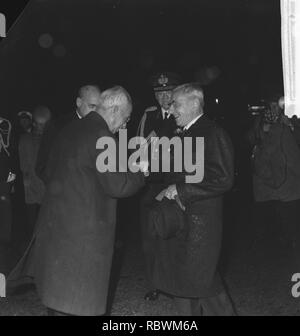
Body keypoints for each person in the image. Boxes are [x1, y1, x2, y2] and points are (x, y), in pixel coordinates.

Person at [8, 86, 145, 316]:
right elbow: (118, 185)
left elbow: (50, 172)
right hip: (83, 238)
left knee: (58, 296)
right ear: (114, 110)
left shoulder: (69, 129)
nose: (125, 124)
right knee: (79, 302)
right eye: (126, 117)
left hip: (57, 228)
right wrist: (141, 172)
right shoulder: (103, 136)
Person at [147, 83, 236, 316]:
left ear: (195, 104)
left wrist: (182, 190)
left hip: (200, 227)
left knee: (202, 283)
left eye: (176, 103)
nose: (171, 107)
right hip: (180, 221)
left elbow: (224, 179)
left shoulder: (214, 133)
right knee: (184, 284)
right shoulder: (181, 132)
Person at [138, 72, 180, 301]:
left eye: (168, 92)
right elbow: (138, 147)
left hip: (174, 184)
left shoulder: (182, 114)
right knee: (149, 236)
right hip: (151, 184)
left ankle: (175, 283)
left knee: (173, 233)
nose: (164, 97)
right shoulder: (148, 115)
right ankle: (155, 283)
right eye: (159, 93)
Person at [248, 94, 300, 271]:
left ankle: (277, 259)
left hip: (267, 188)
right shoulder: (284, 128)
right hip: (287, 187)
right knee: (291, 228)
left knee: (280, 225)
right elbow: (294, 158)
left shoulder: (259, 127)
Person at [35, 85, 101, 183]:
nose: (96, 112)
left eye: (99, 107)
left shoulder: (100, 128)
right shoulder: (58, 127)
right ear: (79, 102)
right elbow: (42, 167)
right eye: (92, 106)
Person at [19, 106, 52, 241]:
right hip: (32, 185)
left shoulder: (51, 140)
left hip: (46, 185)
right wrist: (26, 179)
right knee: (32, 222)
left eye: (43, 125)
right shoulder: (25, 139)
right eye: (39, 124)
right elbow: (23, 165)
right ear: (34, 123)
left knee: (43, 221)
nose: (41, 128)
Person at [0, 116, 17, 271]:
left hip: (3, 194)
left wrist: (8, 184)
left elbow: (7, 126)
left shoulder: (5, 157)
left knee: (4, 236)